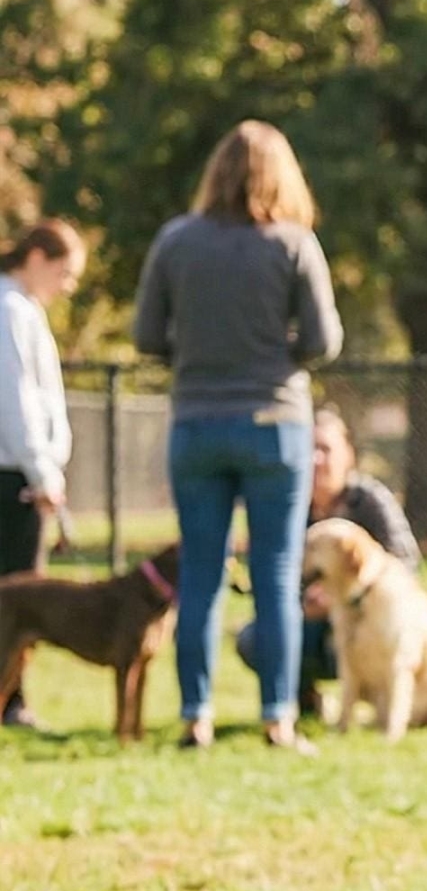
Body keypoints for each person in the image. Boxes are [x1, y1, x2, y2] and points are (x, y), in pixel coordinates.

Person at [134, 120, 343, 751]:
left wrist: (199, 355)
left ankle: (195, 715)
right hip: (275, 425)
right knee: (275, 574)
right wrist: (273, 352)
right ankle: (278, 717)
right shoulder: (293, 242)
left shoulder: (176, 240)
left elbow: (146, 336)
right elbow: (324, 341)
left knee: (200, 575)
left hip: (196, 423)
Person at [234, 406, 420, 716]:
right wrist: (303, 601)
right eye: (309, 449)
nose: (316, 459)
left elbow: (407, 565)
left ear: (348, 455)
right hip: (308, 620)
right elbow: (266, 577)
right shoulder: (285, 507)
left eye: (326, 449)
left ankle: (377, 702)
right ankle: (303, 699)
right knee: (254, 640)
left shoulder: (370, 501)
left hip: (364, 621)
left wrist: (352, 595)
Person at [0, 218, 85, 727]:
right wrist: (41, 471)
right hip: (14, 477)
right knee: (18, 598)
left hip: (25, 472)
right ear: (36, 258)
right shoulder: (9, 309)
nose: (67, 286)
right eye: (64, 272)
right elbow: (15, 402)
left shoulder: (23, 309)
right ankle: (11, 702)